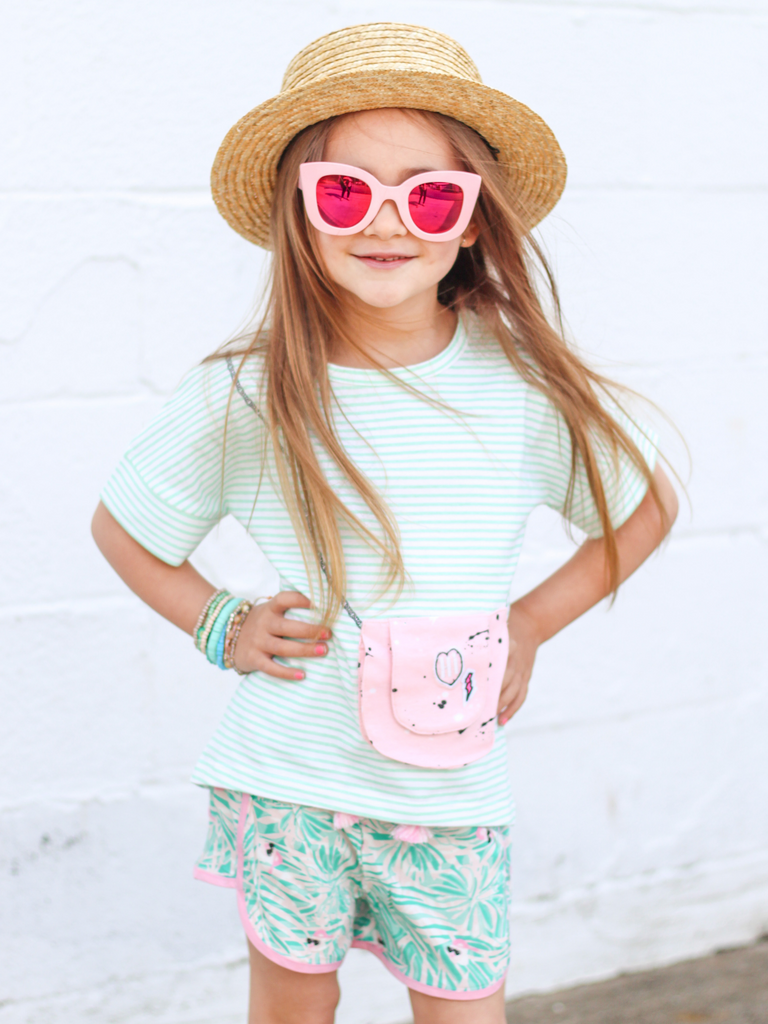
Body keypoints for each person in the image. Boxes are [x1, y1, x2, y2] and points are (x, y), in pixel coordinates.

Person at [91, 22, 678, 1024]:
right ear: (301, 213)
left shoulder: (524, 391)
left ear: (473, 220)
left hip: (451, 794)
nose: (386, 221)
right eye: (346, 191)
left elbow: (646, 508)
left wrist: (529, 622)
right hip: (290, 779)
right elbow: (124, 528)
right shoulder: (249, 390)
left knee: (460, 1004)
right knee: (290, 998)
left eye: (430, 192)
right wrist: (221, 622)